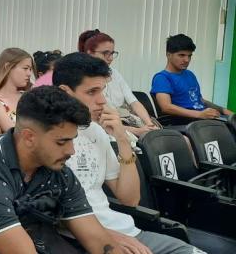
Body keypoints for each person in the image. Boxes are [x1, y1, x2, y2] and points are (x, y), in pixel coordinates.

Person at [54, 53, 203, 253]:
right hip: (84, 238)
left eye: (102, 91)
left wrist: (122, 138)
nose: (102, 101)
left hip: (127, 231)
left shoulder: (96, 131)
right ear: (65, 92)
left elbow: (130, 199)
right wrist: (105, 236)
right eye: (92, 92)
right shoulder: (48, 138)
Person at [0, 86, 122, 254]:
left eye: (72, 140)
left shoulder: (57, 169)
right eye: (61, 142)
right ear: (29, 137)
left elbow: (97, 239)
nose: (71, 151)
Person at [79, 30, 158, 135]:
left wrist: (149, 124)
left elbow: (133, 102)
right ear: (90, 53)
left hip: (128, 122)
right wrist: (139, 131)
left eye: (112, 53)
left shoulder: (114, 73)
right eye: (105, 53)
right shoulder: (85, 79)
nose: (110, 58)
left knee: (168, 138)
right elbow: (103, 121)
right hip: (110, 129)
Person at [151, 34, 232, 123]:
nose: (187, 60)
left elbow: (200, 100)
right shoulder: (162, 78)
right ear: (168, 55)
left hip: (201, 119)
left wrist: (224, 110)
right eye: (181, 55)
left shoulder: (190, 74)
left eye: (189, 56)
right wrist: (200, 115)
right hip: (184, 122)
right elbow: (166, 107)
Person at [0, 48, 34, 132]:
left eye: (30, 69)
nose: (29, 73)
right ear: (8, 67)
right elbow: (14, 133)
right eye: (25, 68)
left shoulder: (27, 96)